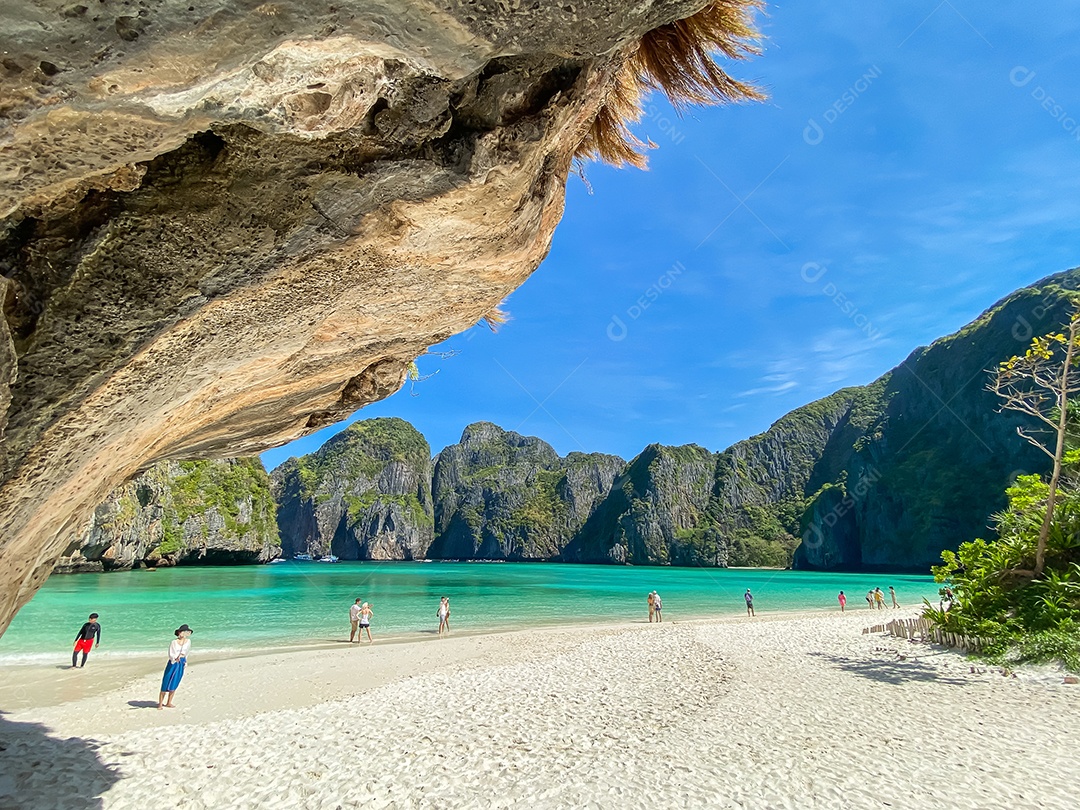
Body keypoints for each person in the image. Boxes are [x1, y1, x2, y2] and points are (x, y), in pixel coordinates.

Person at [158, 624, 193, 710]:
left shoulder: (188, 641)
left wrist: (184, 660)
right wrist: (174, 658)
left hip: (181, 662)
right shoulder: (174, 642)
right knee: (166, 681)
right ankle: (160, 704)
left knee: (175, 682)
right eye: (182, 632)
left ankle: (169, 702)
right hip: (173, 663)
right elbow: (171, 653)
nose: (184, 634)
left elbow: (187, 652)